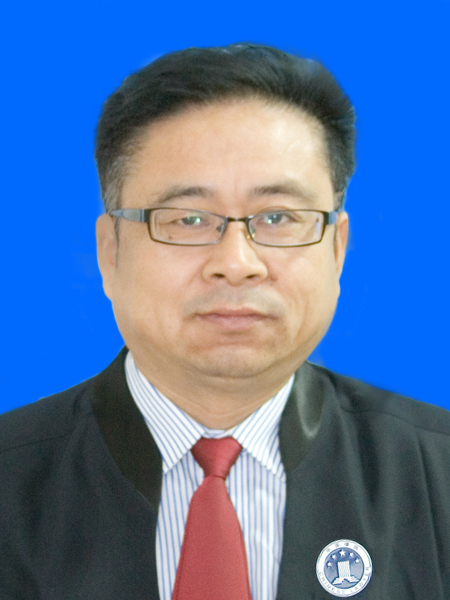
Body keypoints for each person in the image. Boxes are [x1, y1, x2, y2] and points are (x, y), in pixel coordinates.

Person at [0, 43, 449, 600]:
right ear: (109, 252)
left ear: (337, 250)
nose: (236, 263)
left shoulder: (438, 473)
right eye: (189, 219)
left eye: (278, 217)